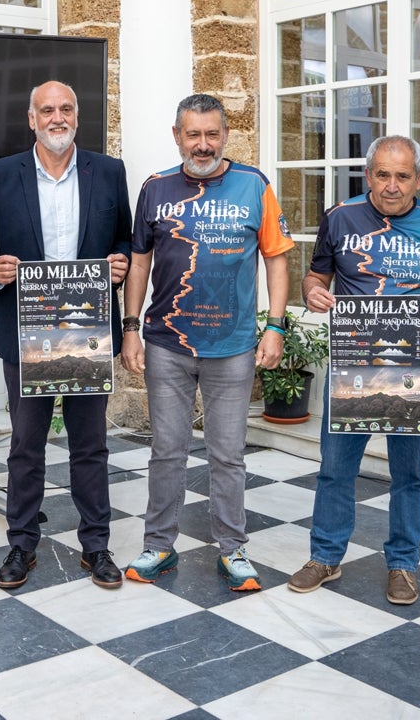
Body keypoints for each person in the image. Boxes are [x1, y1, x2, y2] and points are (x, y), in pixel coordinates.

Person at [0, 80, 132, 590]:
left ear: (76, 117)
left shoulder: (108, 171)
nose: (57, 117)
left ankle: (96, 546)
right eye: (46, 110)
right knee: (26, 444)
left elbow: (123, 235)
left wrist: (120, 262)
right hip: (24, 331)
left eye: (66, 109)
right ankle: (21, 543)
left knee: (90, 444)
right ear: (31, 120)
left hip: (87, 332)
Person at [121, 93, 294, 592]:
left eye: (212, 134)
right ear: (178, 136)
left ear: (225, 134)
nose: (203, 144)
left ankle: (233, 549)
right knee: (166, 451)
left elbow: (276, 259)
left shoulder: (253, 185)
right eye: (192, 134)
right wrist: (130, 327)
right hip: (167, 345)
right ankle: (158, 546)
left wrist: (276, 326)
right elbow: (139, 262)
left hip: (233, 345)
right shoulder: (155, 189)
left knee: (228, 455)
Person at [288, 135, 420, 605]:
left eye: (402, 176)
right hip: (355, 364)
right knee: (335, 467)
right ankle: (325, 556)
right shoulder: (339, 217)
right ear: (368, 175)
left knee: (410, 474)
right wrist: (312, 292)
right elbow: (315, 276)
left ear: (419, 179)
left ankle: (403, 565)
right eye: (382, 174)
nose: (391, 186)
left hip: (418, 366)